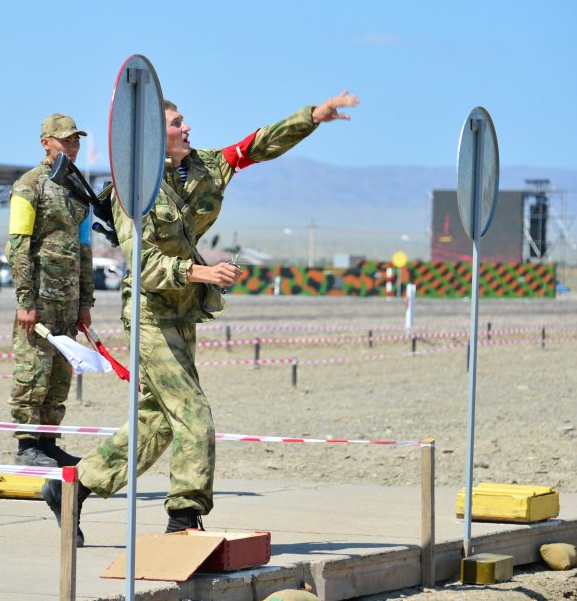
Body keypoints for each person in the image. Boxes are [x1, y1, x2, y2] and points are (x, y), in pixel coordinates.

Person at [44, 91, 359, 543]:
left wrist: (311, 117)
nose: (187, 128)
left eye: (183, 121)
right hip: (150, 315)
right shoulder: (134, 191)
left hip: (183, 312)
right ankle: (184, 519)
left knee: (155, 419)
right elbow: (143, 264)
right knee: (193, 415)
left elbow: (256, 145)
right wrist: (200, 270)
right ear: (154, 136)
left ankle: (72, 487)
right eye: (176, 124)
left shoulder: (207, 166)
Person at [7, 113, 95, 468]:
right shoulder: (29, 185)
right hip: (40, 299)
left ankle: (48, 441)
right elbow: (18, 246)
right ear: (46, 142)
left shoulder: (78, 187)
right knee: (34, 369)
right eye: (64, 140)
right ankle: (28, 445)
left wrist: (85, 301)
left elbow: (84, 247)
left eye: (75, 141)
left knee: (60, 373)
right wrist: (26, 301)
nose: (71, 146)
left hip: (69, 300)